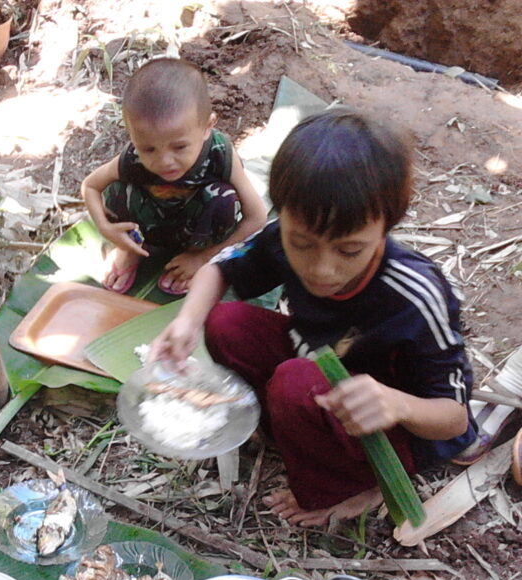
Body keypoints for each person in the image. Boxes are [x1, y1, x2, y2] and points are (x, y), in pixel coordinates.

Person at [150, 109, 476, 527]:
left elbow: (454, 419)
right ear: (282, 215)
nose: (321, 269)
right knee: (226, 323)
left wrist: (395, 403)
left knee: (294, 383)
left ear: (387, 227)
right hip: (316, 371)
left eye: (349, 251)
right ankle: (284, 427)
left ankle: (347, 485)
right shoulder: (282, 237)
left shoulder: (414, 294)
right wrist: (186, 322)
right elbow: (219, 268)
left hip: (390, 425)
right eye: (301, 244)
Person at [81, 57, 266, 295]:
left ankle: (196, 254)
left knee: (224, 198)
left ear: (207, 127)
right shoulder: (133, 158)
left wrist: (204, 257)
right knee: (116, 188)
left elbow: (256, 218)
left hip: (197, 231)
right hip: (149, 225)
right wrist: (106, 229)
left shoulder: (220, 153)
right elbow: (90, 186)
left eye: (179, 147)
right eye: (149, 149)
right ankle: (131, 249)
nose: (164, 161)